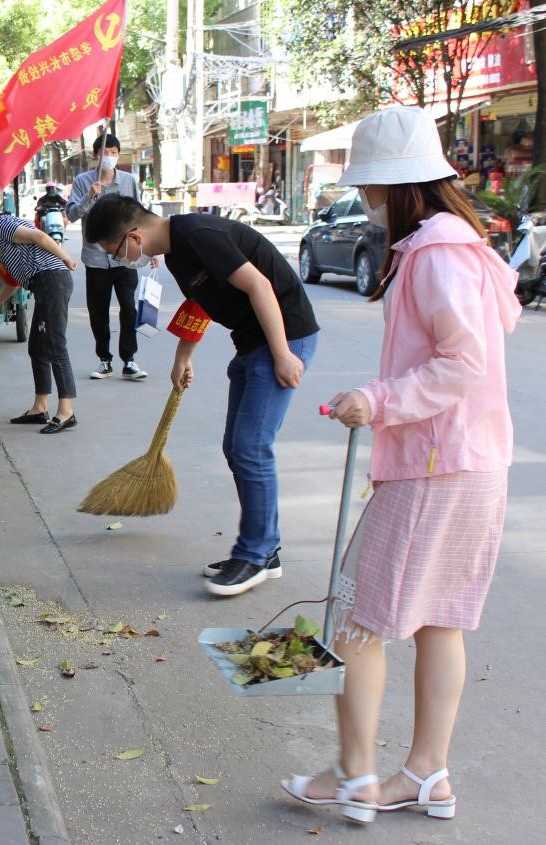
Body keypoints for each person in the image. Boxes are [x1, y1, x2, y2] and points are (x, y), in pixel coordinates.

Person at [280, 107, 520, 825]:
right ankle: (425, 774)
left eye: (375, 188)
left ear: (396, 185)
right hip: (469, 460)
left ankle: (355, 775)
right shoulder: (463, 244)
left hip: (435, 464)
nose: (371, 201)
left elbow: (462, 362)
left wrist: (375, 399)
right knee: (438, 621)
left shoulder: (437, 252)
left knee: (354, 616)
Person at [84, 195, 319, 596]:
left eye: (116, 252)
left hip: (283, 336)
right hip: (251, 344)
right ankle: (265, 547)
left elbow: (259, 285)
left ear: (133, 236)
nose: (122, 261)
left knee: (251, 447)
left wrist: (282, 353)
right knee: (237, 447)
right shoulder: (178, 251)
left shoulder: (196, 233)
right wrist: (183, 357)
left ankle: (256, 554)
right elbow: (201, 303)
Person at [0, 199, 80, 434]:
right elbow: (13, 281)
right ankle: (39, 408)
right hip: (44, 284)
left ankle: (66, 411)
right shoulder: (0, 244)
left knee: (55, 344)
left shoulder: (0, 224)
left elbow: (40, 237)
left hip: (52, 280)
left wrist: (65, 257)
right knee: (37, 347)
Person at [67, 134, 147, 382]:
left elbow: (139, 214)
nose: (109, 156)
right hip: (96, 259)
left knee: (129, 308)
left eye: (113, 152)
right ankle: (104, 360)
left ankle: (129, 360)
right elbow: (71, 214)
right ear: (95, 156)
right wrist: (89, 195)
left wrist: (151, 249)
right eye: (105, 152)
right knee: (98, 311)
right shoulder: (83, 181)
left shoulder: (128, 181)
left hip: (125, 257)